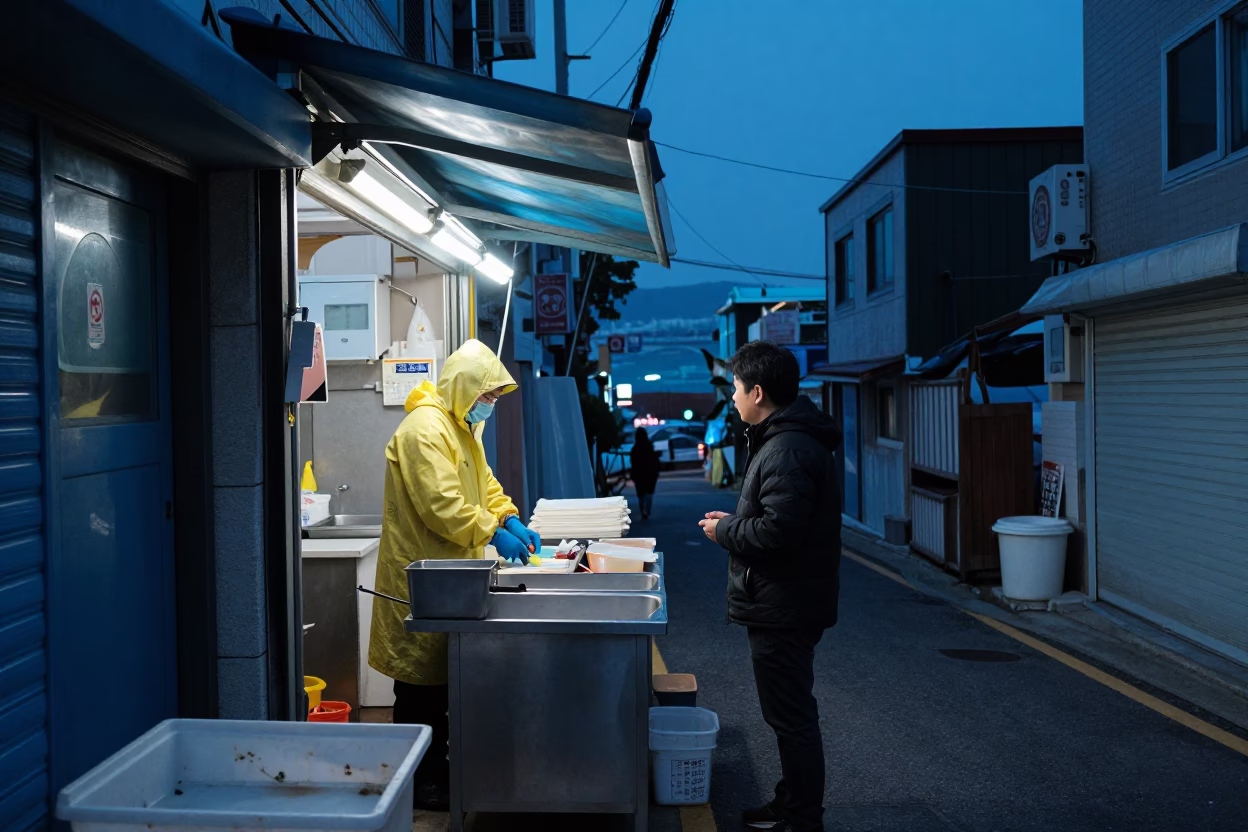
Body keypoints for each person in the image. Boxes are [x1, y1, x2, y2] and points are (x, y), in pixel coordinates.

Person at [368, 339, 541, 813]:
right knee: (419, 690)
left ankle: (437, 773)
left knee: (442, 684)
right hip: (422, 575)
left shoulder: (460, 426)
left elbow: (482, 483)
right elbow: (442, 506)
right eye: (487, 396)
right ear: (465, 388)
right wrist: (491, 531)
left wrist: (507, 517)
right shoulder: (424, 430)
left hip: (451, 575)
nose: (489, 405)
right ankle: (419, 784)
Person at [697, 340, 842, 832]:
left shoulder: (788, 448)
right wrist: (737, 519)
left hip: (785, 603)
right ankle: (791, 803)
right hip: (785, 599)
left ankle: (802, 818)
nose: (733, 398)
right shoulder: (784, 440)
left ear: (757, 392)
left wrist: (725, 531)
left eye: (736, 389)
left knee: (792, 717)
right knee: (787, 714)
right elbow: (777, 517)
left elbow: (779, 534)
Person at [630, 427, 661, 520]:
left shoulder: (635, 448)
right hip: (650, 473)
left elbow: (633, 462)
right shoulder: (649, 446)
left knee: (641, 494)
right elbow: (654, 459)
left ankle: (642, 509)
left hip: (639, 474)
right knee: (649, 492)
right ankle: (647, 511)